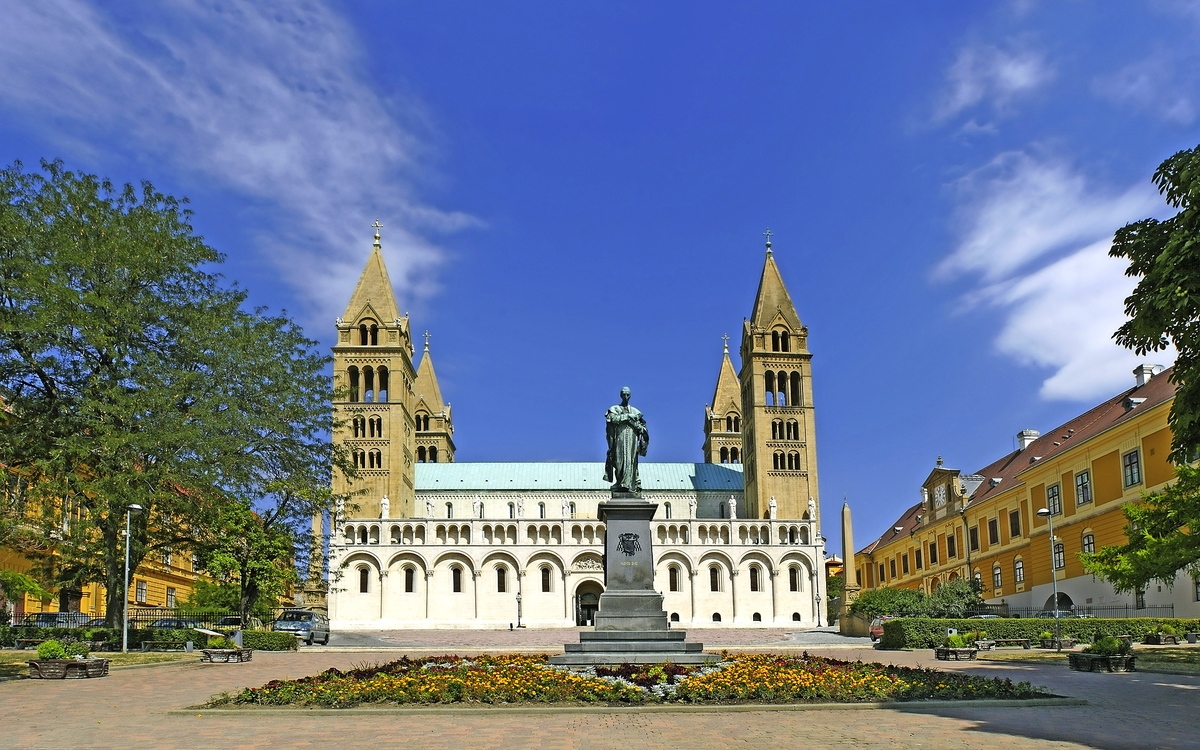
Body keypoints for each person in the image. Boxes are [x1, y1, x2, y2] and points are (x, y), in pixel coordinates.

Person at [603, 386, 649, 493]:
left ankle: (630, 485)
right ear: (620, 395)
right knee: (618, 461)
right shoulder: (615, 409)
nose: (626, 397)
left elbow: (643, 427)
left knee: (631, 461)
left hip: (632, 440)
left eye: (627, 394)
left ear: (630, 396)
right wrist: (628, 417)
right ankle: (620, 483)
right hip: (619, 438)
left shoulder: (636, 411)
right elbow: (612, 419)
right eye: (624, 394)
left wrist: (639, 428)